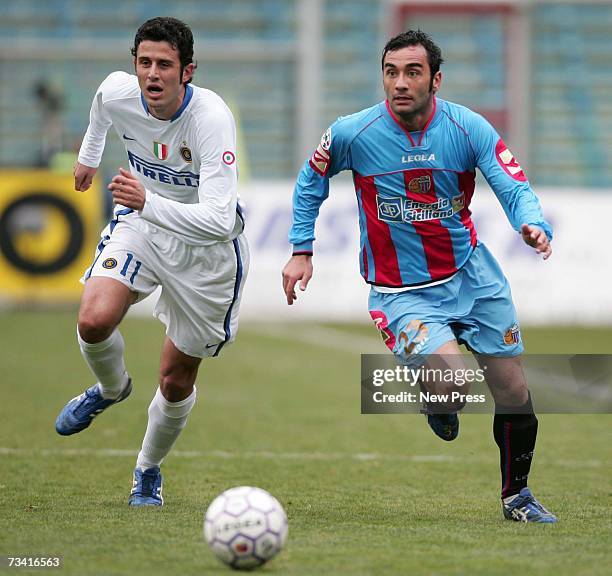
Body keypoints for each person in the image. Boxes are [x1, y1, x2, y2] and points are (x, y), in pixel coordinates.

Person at [282, 30, 556, 523]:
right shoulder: (352, 133)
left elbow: (512, 183)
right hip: (401, 290)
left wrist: (531, 223)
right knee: (453, 387)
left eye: (413, 72)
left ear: (436, 79)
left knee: (513, 389)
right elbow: (310, 180)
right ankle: (437, 401)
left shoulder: (467, 128)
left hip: (472, 276)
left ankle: (517, 496)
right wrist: (302, 249)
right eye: (391, 72)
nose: (400, 83)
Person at [55, 17, 249, 507]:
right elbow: (101, 104)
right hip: (142, 228)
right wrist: (88, 156)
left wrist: (147, 201)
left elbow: (220, 219)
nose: (152, 74)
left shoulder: (211, 118)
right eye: (144, 62)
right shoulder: (119, 92)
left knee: (175, 378)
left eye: (165, 64)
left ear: (188, 71)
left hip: (206, 256)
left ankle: (147, 469)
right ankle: (110, 387)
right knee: (93, 319)